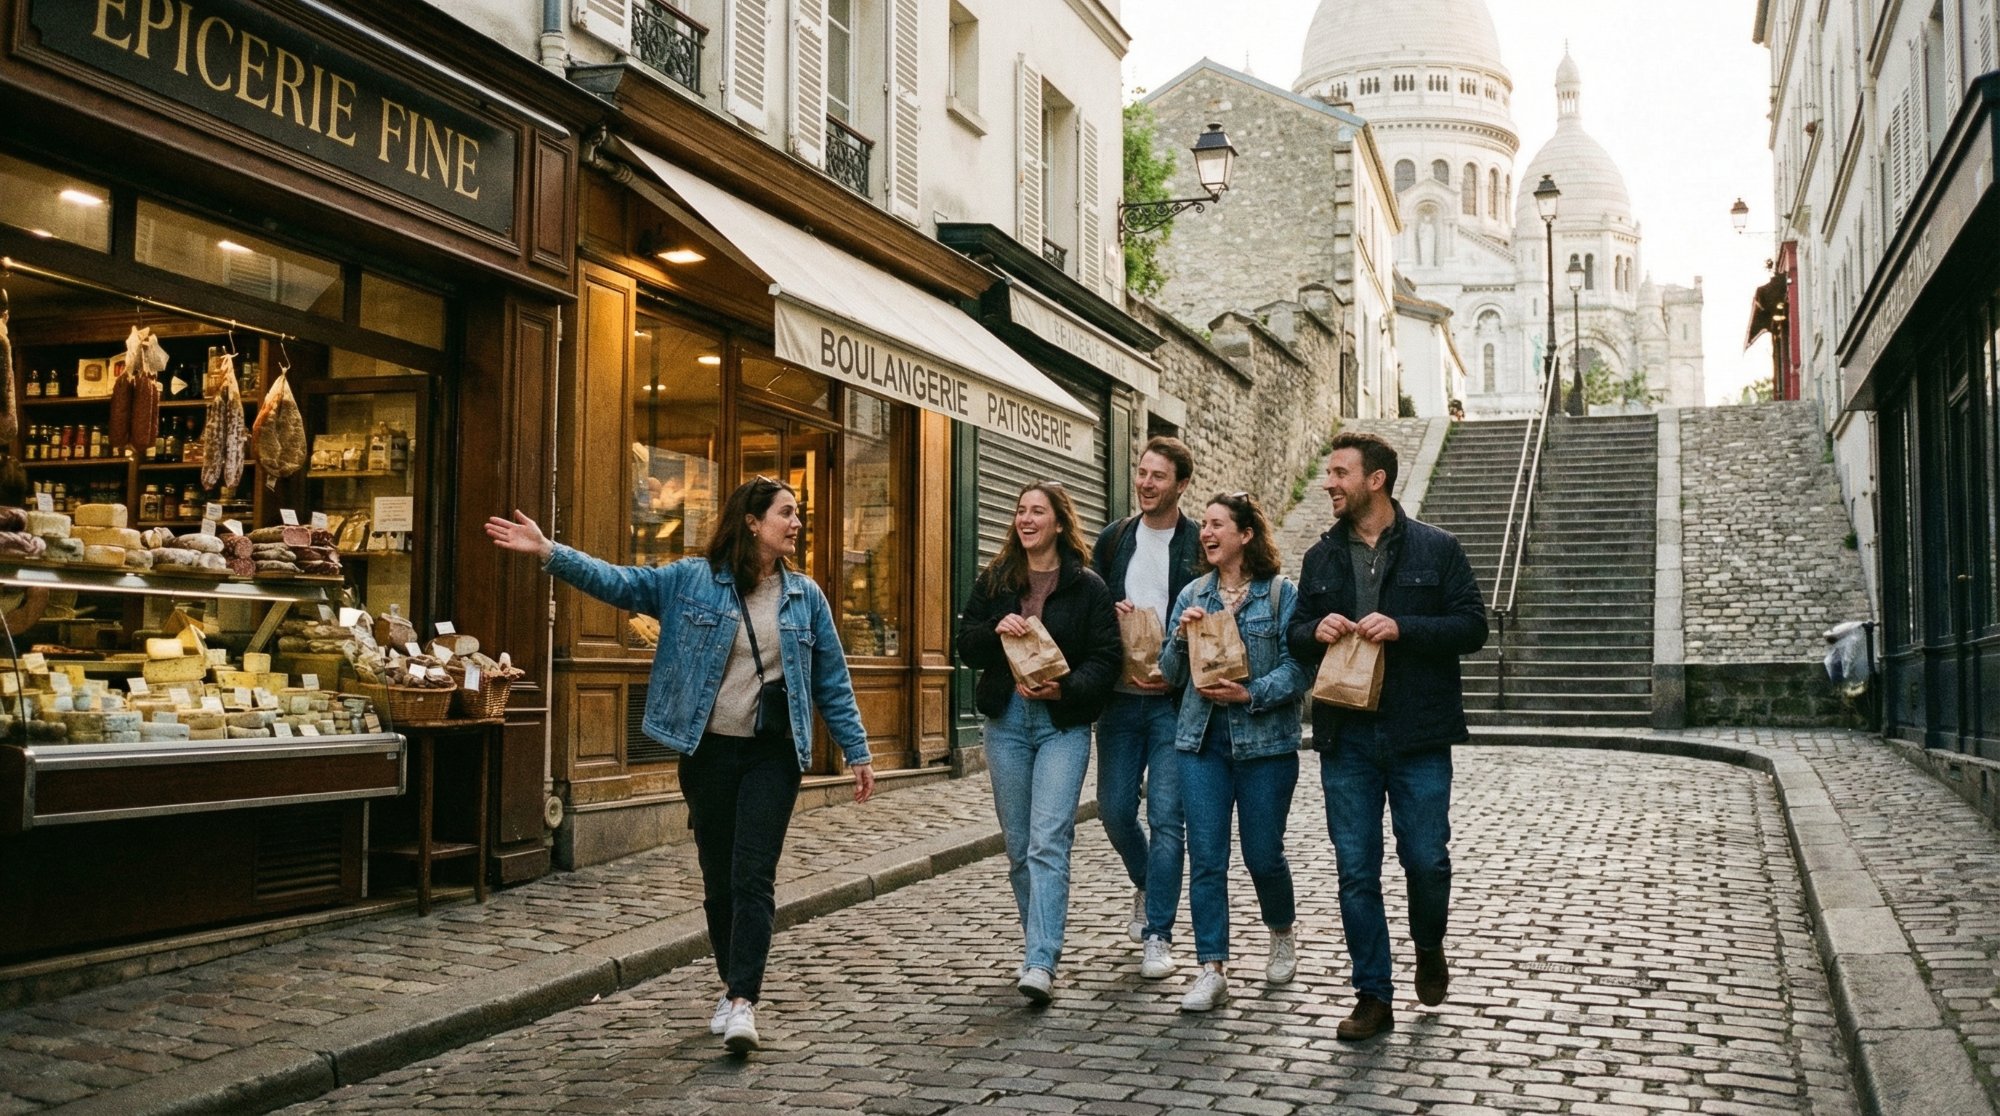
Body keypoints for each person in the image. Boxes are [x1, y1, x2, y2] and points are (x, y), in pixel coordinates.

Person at [484, 478, 874, 1055]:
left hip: (772, 753)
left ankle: (743, 999)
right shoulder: (693, 580)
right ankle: (729, 983)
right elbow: (620, 583)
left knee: (752, 874)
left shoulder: (805, 597)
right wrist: (550, 552)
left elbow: (831, 681)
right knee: (718, 878)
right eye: (787, 514)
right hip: (708, 751)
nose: (796, 523)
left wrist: (857, 749)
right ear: (751, 521)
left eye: (798, 514)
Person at [1287, 432, 1487, 1041]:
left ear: (1375, 479)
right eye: (1328, 473)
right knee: (1355, 871)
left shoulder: (1438, 548)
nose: (1329, 483)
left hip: (1419, 734)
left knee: (1426, 860)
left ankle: (1429, 945)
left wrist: (1403, 627)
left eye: (1340, 473)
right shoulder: (1320, 557)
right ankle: (1373, 995)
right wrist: (1313, 628)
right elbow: (1294, 630)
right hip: (1345, 737)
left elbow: (1471, 626)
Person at [956, 481, 1120, 1006]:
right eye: (1020, 510)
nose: (1026, 519)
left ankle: (1041, 960)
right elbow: (967, 644)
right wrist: (995, 629)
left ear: (1058, 522)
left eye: (1037, 512)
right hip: (1007, 725)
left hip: (1062, 726)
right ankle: (1037, 945)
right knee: (1020, 846)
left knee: (1049, 842)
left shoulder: (1088, 586)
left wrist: (1066, 687)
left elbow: (1106, 658)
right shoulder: (997, 578)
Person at [1158, 492, 1309, 1013]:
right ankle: (1211, 968)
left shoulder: (1279, 595)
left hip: (1265, 745)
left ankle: (1282, 930)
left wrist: (1251, 693)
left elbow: (1298, 669)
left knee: (1263, 854)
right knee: (1206, 858)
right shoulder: (1192, 593)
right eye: (1206, 525)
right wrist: (1180, 638)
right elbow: (1168, 677)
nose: (1207, 532)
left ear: (1245, 535)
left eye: (1218, 524)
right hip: (1200, 743)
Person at [1091, 436, 1201, 980]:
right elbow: (1087, 609)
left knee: (1166, 818)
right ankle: (1148, 881)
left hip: (1174, 703)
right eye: (1142, 472)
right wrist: (1107, 612)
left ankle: (1159, 933)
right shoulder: (1114, 540)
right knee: (1113, 810)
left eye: (1159, 476)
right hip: (1119, 698)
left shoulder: (1200, 543)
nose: (1146, 483)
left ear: (1181, 484)